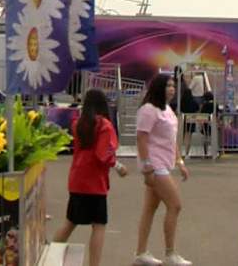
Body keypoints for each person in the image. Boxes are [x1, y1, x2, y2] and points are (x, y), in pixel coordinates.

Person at [53, 89, 126, 266]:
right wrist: (118, 166)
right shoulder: (105, 126)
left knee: (70, 222)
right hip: (95, 182)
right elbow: (103, 154)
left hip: (77, 179)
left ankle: (51, 256)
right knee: (99, 225)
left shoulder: (78, 124)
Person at [133, 74, 192, 266]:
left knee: (149, 208)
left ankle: (141, 253)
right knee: (175, 205)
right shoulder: (149, 110)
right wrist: (147, 166)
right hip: (155, 165)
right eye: (168, 86)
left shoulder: (168, 110)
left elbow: (172, 139)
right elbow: (141, 138)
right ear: (159, 87)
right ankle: (170, 253)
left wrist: (180, 161)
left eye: (173, 86)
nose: (172, 89)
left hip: (165, 163)